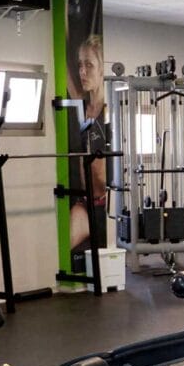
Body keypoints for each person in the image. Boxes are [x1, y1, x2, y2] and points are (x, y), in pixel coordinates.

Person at [69, 34, 108, 253]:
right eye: (80, 65)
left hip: (104, 206)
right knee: (61, 245)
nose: (82, 72)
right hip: (84, 204)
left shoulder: (109, 113)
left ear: (102, 69)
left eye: (89, 65)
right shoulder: (82, 107)